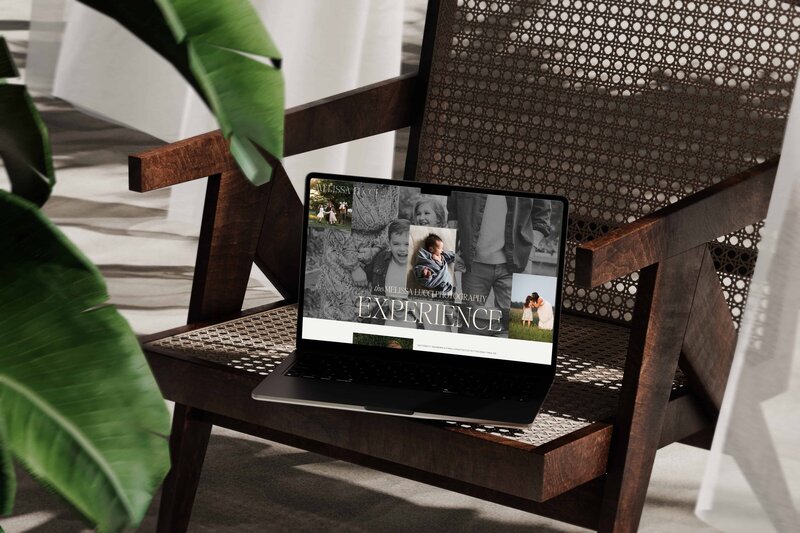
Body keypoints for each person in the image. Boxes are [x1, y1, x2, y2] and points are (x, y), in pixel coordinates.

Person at [447, 192, 551, 335]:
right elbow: (453, 212)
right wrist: (453, 244)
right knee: (470, 330)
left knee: (521, 329)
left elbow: (542, 216)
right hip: (472, 264)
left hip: (518, 262)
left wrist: (530, 252)